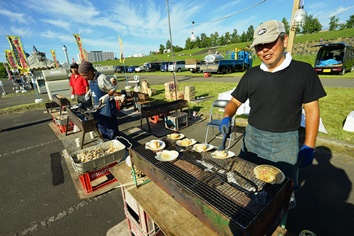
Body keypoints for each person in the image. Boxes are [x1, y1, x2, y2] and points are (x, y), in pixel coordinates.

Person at [219, 20, 327, 208]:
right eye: (260, 46)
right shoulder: (252, 74)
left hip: (284, 144)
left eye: (270, 43)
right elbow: (234, 102)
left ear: (284, 40)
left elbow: (312, 110)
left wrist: (309, 145)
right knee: (247, 183)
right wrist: (227, 115)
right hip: (252, 140)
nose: (264, 50)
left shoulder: (303, 72)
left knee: (281, 193)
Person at [78, 61, 119, 141]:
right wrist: (89, 92)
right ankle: (107, 142)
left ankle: (116, 143)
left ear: (90, 71)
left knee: (111, 128)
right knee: (101, 126)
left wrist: (107, 96)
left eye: (84, 75)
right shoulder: (91, 79)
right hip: (98, 107)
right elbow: (93, 88)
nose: (84, 78)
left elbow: (113, 89)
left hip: (107, 106)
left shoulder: (102, 78)